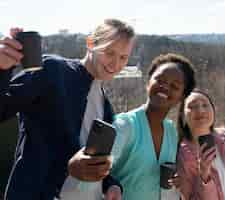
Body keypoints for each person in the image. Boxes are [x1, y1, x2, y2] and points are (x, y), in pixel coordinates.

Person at [0, 19, 135, 200]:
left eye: (123, 57)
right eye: (109, 52)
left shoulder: (105, 105)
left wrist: (110, 184)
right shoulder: (52, 71)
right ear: (90, 44)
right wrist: (2, 68)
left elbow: (89, 158)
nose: (115, 64)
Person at [75, 53, 196, 199]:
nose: (165, 87)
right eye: (160, 80)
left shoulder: (171, 132)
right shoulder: (125, 125)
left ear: (182, 97)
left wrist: (177, 179)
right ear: (148, 82)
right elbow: (91, 175)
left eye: (174, 86)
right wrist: (110, 188)